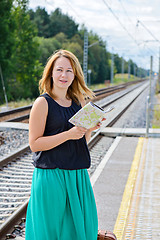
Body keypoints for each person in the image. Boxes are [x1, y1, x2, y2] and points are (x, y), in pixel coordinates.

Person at [25, 49, 102, 240]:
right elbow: (34, 144)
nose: (64, 75)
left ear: (74, 74)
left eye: (69, 71)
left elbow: (81, 141)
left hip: (77, 176)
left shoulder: (78, 101)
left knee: (81, 230)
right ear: (50, 72)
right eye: (59, 69)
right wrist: (68, 134)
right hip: (52, 176)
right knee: (50, 232)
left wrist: (89, 129)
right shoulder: (42, 103)